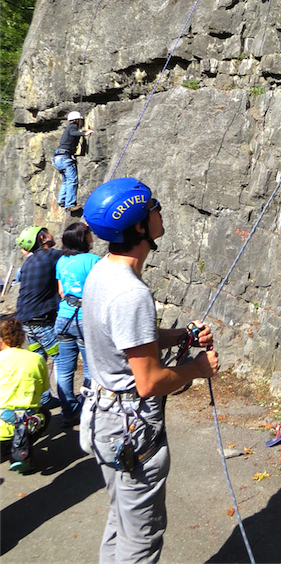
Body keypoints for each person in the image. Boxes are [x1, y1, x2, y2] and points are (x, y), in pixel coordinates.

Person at [81, 177, 219, 563]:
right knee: (141, 539)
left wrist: (181, 335)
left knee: (121, 522)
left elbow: (130, 339)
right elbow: (149, 382)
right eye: (153, 206)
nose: (160, 210)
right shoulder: (132, 293)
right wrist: (198, 368)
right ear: (140, 226)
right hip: (131, 428)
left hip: (104, 417)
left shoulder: (102, 272)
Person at [54, 222, 100, 427]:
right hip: (84, 319)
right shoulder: (93, 261)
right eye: (88, 233)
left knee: (64, 370)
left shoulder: (61, 261)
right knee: (90, 370)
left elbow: (61, 292)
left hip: (63, 318)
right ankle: (88, 411)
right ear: (83, 238)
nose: (91, 235)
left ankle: (68, 412)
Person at [16, 226, 62, 408]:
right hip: (41, 320)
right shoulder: (51, 255)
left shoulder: (28, 262)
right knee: (61, 358)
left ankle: (43, 400)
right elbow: (72, 254)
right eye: (48, 232)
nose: (52, 235)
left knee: (39, 361)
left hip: (25, 320)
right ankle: (69, 406)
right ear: (43, 238)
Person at [0, 318, 51, 473]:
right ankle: (23, 454)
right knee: (44, 414)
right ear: (22, 338)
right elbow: (43, 390)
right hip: (26, 423)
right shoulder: (37, 359)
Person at [53, 110, 94, 212]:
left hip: (58, 157)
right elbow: (73, 133)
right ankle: (70, 204)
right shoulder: (72, 127)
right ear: (76, 120)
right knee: (72, 180)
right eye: (81, 120)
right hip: (64, 157)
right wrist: (84, 133)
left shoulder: (68, 128)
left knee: (66, 180)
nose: (82, 122)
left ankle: (62, 200)